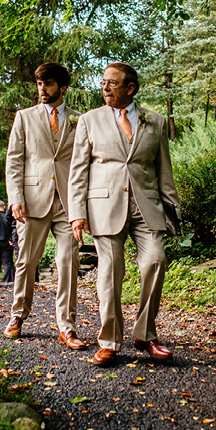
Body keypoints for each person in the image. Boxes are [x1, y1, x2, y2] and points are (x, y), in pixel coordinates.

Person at [68, 62, 180, 366]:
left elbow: (163, 170)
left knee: (155, 260)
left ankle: (146, 334)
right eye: (103, 82)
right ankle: (109, 341)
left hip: (147, 206)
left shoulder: (154, 121)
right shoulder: (89, 121)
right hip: (104, 206)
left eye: (112, 83)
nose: (104, 88)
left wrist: (172, 212)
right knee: (110, 271)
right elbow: (78, 171)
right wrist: (77, 213)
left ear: (130, 88)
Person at [3, 62, 86, 349]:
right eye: (39, 84)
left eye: (48, 84)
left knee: (68, 262)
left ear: (62, 87)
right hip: (32, 202)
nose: (42, 89)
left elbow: (85, 163)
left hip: (68, 203)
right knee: (26, 261)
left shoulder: (80, 120)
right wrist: (15, 198)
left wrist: (83, 207)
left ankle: (67, 326)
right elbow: (14, 160)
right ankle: (17, 316)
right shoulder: (24, 117)